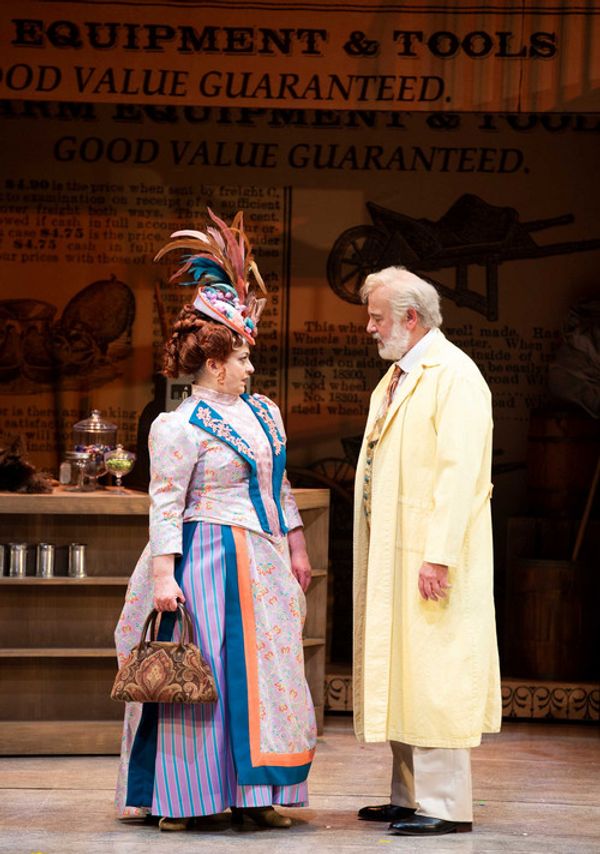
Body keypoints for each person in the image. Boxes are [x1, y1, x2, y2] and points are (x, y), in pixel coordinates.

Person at [114, 209, 317, 831]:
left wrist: (298, 544)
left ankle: (260, 792)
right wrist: (163, 577)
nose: (250, 367)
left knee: (266, 673)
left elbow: (277, 484)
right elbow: (166, 503)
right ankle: (185, 795)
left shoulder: (267, 414)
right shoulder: (176, 426)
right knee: (204, 674)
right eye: (241, 356)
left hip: (262, 559)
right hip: (205, 557)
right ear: (212, 363)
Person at [353, 266, 501, 837]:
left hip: (431, 553)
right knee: (405, 669)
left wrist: (438, 554)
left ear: (410, 318)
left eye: (377, 316)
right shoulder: (396, 377)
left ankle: (445, 804)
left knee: (435, 671)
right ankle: (409, 794)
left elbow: (459, 474)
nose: (370, 327)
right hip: (397, 547)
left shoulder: (454, 375)